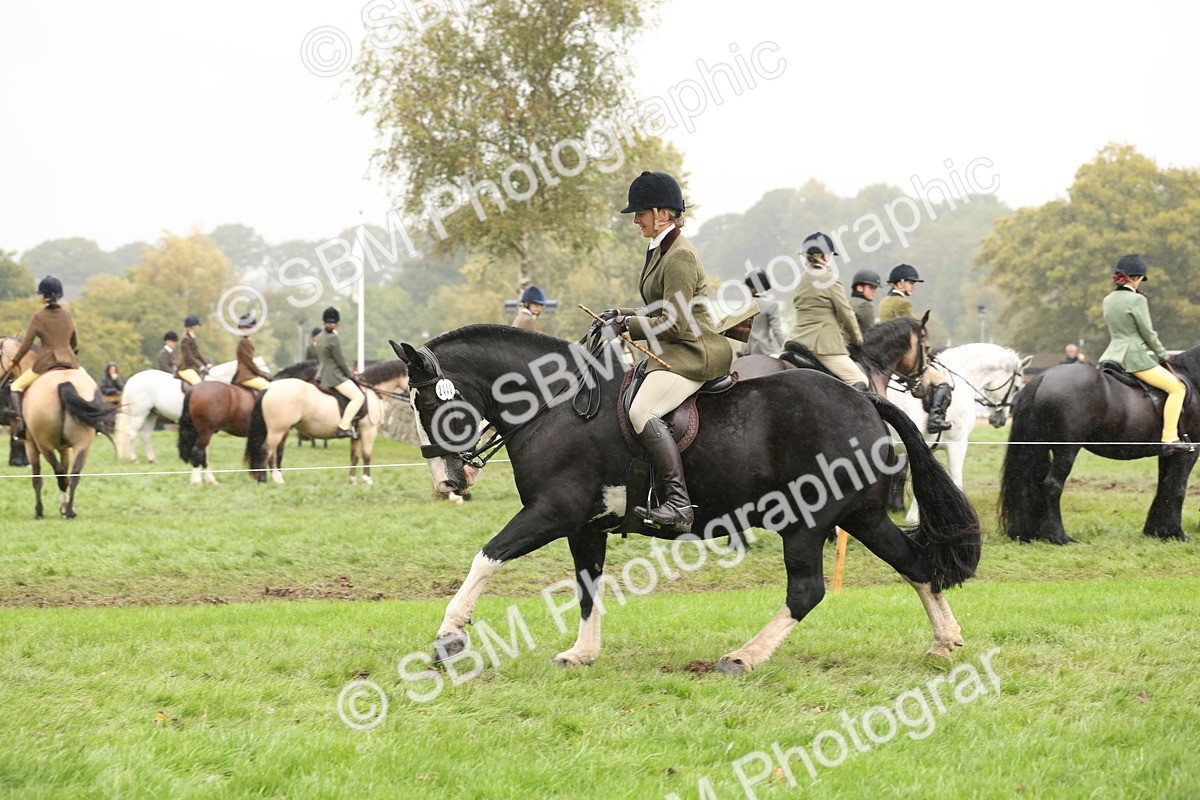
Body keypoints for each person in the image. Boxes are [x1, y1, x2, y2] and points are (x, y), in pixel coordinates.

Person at [599, 170, 731, 533]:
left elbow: (675, 323)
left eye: (640, 213)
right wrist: (622, 314)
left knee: (643, 409)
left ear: (661, 213)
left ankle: (678, 504)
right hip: (673, 348)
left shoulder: (679, 257)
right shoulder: (662, 249)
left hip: (694, 352)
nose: (636, 221)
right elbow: (661, 309)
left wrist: (628, 327)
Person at [1098, 255, 1190, 454]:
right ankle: (1170, 438)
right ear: (1137, 278)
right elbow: (1148, 332)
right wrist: (1162, 354)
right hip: (1134, 358)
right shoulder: (1137, 300)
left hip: (1111, 356)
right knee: (1177, 388)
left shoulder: (1108, 300)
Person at [786, 232, 868, 389]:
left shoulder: (800, 280)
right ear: (824, 256)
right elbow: (846, 314)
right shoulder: (831, 280)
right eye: (830, 255)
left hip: (796, 340)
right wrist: (857, 339)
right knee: (861, 380)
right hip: (823, 345)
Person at [879, 264, 952, 433]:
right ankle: (935, 420)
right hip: (905, 358)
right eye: (911, 282)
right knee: (943, 382)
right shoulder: (903, 303)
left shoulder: (884, 301)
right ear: (900, 283)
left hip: (888, 356)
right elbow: (914, 335)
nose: (914, 286)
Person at [7, 276, 79, 440]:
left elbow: (26, 345)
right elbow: (74, 341)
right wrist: (69, 355)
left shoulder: (38, 316)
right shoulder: (67, 315)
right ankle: (94, 423)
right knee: (89, 383)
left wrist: (14, 361)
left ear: (42, 296)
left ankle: (22, 425)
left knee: (16, 387)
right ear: (59, 294)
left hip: (45, 363)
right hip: (70, 361)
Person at [314, 306, 364, 438]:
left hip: (321, 374)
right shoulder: (333, 338)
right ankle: (344, 426)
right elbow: (340, 360)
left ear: (323, 322)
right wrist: (350, 374)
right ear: (338, 324)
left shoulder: (319, 337)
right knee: (359, 397)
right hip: (334, 376)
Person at [739, 269, 787, 356]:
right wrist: (785, 348)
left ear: (754, 288)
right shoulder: (771, 304)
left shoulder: (745, 303)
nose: (748, 290)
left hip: (745, 352)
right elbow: (776, 331)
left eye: (749, 287)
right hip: (764, 350)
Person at [233, 314, 271, 391]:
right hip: (246, 375)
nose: (247, 330)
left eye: (249, 328)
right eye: (245, 328)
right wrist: (262, 374)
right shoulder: (244, 342)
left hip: (247, 374)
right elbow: (249, 363)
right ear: (241, 328)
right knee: (268, 387)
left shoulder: (244, 341)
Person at [177, 314, 211, 386]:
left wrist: (207, 364)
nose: (197, 327)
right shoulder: (186, 339)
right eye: (196, 326)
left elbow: (198, 354)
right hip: (186, 368)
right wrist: (200, 366)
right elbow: (189, 356)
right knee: (198, 384)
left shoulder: (191, 338)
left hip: (192, 368)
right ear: (192, 327)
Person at [849, 269, 882, 335]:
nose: (874, 291)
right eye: (871, 287)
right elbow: (871, 333)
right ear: (860, 288)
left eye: (875, 288)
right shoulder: (864, 305)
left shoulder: (848, 301)